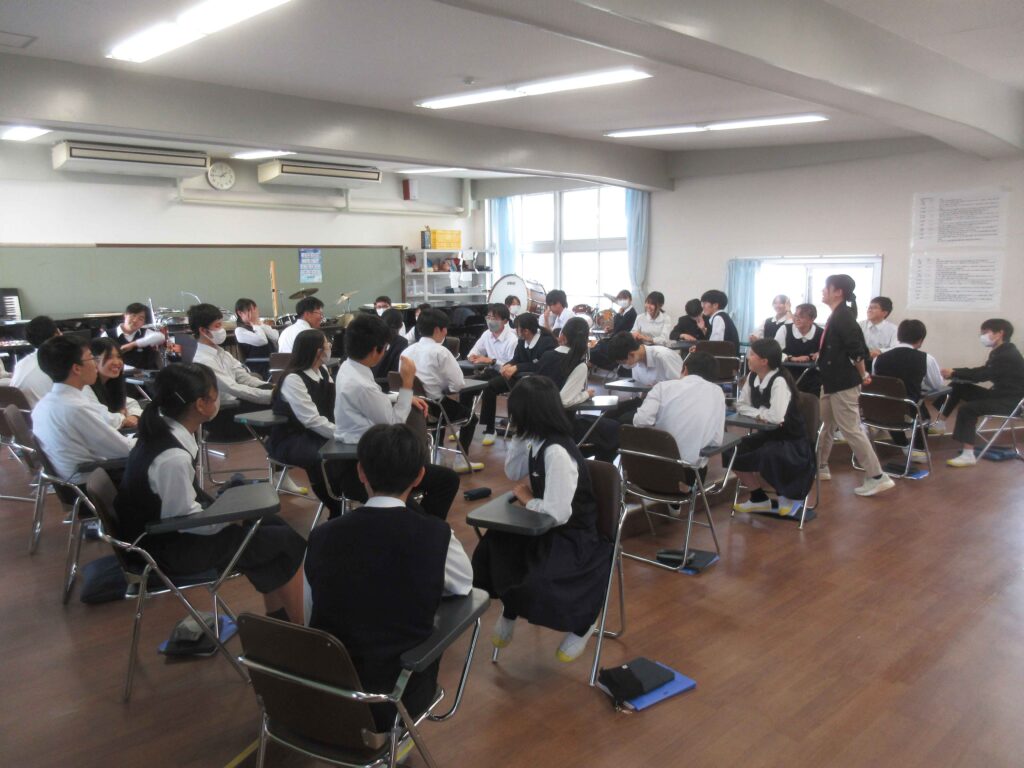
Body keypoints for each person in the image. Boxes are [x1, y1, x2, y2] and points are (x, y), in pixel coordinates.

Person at [304, 423, 472, 730]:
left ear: (361, 472)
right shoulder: (435, 534)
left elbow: (310, 610)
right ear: (420, 476)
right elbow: (462, 584)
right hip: (396, 696)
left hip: (327, 690)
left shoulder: (321, 536)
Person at [115, 363, 306, 624]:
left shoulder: (163, 433)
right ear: (201, 404)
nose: (218, 401)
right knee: (285, 542)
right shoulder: (172, 457)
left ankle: (281, 620)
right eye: (215, 395)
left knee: (271, 526)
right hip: (167, 551)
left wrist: (233, 511)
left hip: (166, 535)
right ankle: (299, 626)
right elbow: (186, 522)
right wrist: (232, 517)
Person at [472, 376, 613, 663]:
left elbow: (559, 513)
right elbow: (513, 473)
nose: (511, 419)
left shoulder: (557, 451)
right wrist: (519, 436)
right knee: (492, 548)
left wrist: (527, 499)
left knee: (538, 582)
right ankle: (510, 608)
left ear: (528, 414)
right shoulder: (536, 439)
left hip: (572, 533)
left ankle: (583, 625)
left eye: (516, 414)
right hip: (540, 524)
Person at [333, 313, 460, 520]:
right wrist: (407, 383)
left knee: (444, 480)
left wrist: (401, 397)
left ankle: (420, 526)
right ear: (375, 350)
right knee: (446, 482)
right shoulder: (361, 384)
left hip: (363, 455)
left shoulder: (349, 368)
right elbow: (395, 424)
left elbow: (371, 401)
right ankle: (424, 528)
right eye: (385, 348)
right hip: (374, 467)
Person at [816, 274, 894, 496]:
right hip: (831, 380)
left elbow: (857, 352)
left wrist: (862, 374)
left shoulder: (844, 317)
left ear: (838, 292)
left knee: (850, 429)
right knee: (826, 424)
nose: (823, 291)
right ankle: (820, 466)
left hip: (843, 382)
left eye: (826, 287)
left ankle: (877, 476)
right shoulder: (839, 315)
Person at [30, 336, 135, 485]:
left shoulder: (44, 404)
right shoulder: (75, 408)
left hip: (79, 479)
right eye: (92, 358)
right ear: (77, 368)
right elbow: (124, 449)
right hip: (95, 483)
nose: (95, 364)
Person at [731, 340, 815, 516]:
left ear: (764, 361)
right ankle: (758, 498)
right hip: (769, 435)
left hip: (792, 440)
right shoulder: (752, 377)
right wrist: (762, 413)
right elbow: (741, 406)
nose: (748, 357)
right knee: (733, 450)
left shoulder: (779, 381)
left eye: (752, 355)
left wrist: (757, 413)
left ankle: (788, 495)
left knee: (769, 453)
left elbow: (776, 417)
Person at [266, 329, 342, 514]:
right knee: (319, 457)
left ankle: (344, 497)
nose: (330, 347)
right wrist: (341, 433)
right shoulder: (294, 379)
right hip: (292, 438)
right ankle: (334, 507)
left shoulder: (322, 371)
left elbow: (335, 402)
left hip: (318, 432)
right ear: (317, 351)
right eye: (327, 344)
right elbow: (311, 420)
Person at [401, 309, 481, 471]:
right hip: (434, 407)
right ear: (438, 329)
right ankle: (460, 460)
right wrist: (445, 387)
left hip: (411, 406)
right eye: (445, 329)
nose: (446, 332)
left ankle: (437, 454)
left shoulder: (407, 351)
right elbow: (458, 384)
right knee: (471, 418)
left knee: (442, 412)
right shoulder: (441, 351)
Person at [939, 319, 1024, 468]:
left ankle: (968, 455)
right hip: (999, 395)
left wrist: (954, 372)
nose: (982, 336)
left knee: (968, 409)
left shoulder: (1007, 355)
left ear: (1000, 333)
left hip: (1010, 403)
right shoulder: (1000, 351)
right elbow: (982, 371)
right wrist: (955, 373)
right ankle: (940, 423)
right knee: (957, 386)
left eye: (985, 332)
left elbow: (982, 375)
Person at [632, 351, 725, 480]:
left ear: (685, 369)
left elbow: (640, 421)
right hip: (689, 474)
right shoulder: (717, 392)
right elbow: (716, 440)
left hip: (650, 469)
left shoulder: (662, 387)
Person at [189, 303, 272, 440]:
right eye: (217, 326)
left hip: (237, 403)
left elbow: (245, 379)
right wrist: (270, 395)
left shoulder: (222, 353)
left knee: (283, 398)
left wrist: (272, 388)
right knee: (283, 407)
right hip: (223, 413)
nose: (222, 330)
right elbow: (232, 388)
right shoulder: (202, 360)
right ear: (203, 330)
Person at [478, 312, 556, 444]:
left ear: (526, 331)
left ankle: (522, 425)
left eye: (517, 328)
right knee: (490, 386)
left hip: (538, 381)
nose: (515, 331)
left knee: (519, 393)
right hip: (519, 378)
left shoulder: (546, 342)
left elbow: (540, 365)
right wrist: (508, 365)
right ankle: (490, 429)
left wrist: (517, 367)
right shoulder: (522, 341)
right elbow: (516, 358)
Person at [873, 319, 943, 462]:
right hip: (909, 411)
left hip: (881, 411)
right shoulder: (926, 359)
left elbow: (877, 382)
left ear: (898, 336)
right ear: (921, 339)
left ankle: (903, 444)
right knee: (922, 412)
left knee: (891, 406)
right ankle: (918, 450)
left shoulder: (878, 358)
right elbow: (937, 385)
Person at [605, 331, 683, 423]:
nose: (623, 365)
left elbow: (682, 387)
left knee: (623, 420)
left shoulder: (664, 357)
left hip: (666, 404)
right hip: (647, 400)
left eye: (623, 362)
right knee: (608, 414)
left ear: (632, 354)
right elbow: (640, 391)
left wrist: (658, 388)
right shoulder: (636, 360)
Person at [86, 337, 143, 430]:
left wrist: (134, 416)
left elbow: (131, 403)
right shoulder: (85, 387)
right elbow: (102, 417)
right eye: (109, 357)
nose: (117, 362)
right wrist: (122, 417)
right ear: (93, 360)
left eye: (119, 357)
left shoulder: (111, 383)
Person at [11, 315, 60, 408]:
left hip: (24, 415)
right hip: (48, 414)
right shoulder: (57, 365)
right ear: (56, 335)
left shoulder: (20, 364)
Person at [775, 302, 824, 396]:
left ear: (812, 319)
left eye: (801, 317)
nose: (797, 319)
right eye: (795, 316)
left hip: (813, 378)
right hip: (787, 375)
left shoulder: (821, 333)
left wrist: (820, 354)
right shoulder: (785, 329)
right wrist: (791, 358)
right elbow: (774, 352)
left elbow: (827, 353)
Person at [104, 302, 165, 370]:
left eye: (140, 319)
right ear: (125, 315)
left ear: (143, 323)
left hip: (145, 374)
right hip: (118, 373)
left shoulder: (145, 332)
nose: (135, 320)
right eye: (133, 315)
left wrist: (133, 344)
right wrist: (131, 369)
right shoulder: (108, 334)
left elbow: (161, 337)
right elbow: (104, 359)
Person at [233, 297, 278, 374]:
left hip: (274, 363)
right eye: (251, 310)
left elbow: (276, 337)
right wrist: (255, 324)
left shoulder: (258, 325)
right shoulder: (240, 331)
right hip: (259, 367)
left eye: (255, 310)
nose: (255, 314)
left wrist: (259, 324)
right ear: (240, 313)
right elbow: (262, 340)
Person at [371, 307, 409, 382]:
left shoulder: (372, 337)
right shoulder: (402, 342)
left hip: (369, 380)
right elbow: (398, 371)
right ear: (401, 325)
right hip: (388, 384)